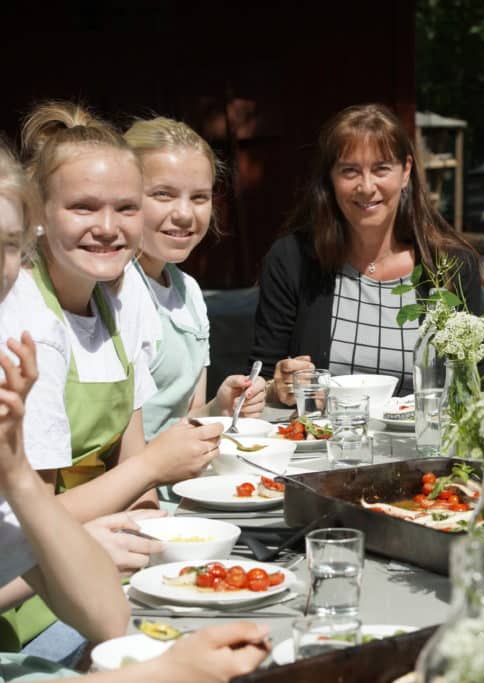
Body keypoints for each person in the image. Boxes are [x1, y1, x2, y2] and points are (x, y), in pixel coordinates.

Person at [0, 140, 267, 680]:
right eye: (83, 207)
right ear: (43, 222)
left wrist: (23, 488)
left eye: (4, 244)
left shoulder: (111, 304)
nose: (107, 226)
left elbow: (107, 617)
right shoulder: (32, 331)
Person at [15, 100, 221, 515]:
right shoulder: (28, 323)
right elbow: (31, 523)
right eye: (84, 207)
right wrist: (151, 468)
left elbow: (133, 461)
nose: (108, 228)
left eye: (126, 208)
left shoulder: (120, 300)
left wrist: (160, 544)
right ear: (38, 212)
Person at [251, 104, 483, 402]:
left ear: (406, 172)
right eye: (349, 171)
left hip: (423, 445)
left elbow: (470, 389)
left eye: (381, 169)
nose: (366, 186)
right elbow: (258, 381)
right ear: (330, 179)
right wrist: (276, 388)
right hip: (324, 443)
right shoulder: (292, 260)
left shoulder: (450, 265)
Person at [122, 117, 266, 440]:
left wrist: (219, 407)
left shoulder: (189, 292)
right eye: (163, 194)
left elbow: (186, 418)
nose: (185, 214)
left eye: (199, 197)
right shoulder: (117, 291)